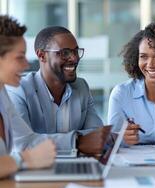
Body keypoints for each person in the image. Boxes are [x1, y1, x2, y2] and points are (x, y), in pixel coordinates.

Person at [6, 26, 109, 155]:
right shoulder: (19, 90)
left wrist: (40, 139)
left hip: (74, 166)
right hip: (35, 171)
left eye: (76, 51)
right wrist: (78, 142)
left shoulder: (81, 86)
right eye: (65, 53)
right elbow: (23, 144)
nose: (74, 58)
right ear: (42, 55)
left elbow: (97, 135)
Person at [0, 15, 55, 179]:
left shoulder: (2, 94)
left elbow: (28, 139)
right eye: (19, 57)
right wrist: (26, 159)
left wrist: (65, 149)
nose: (26, 64)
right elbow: (27, 154)